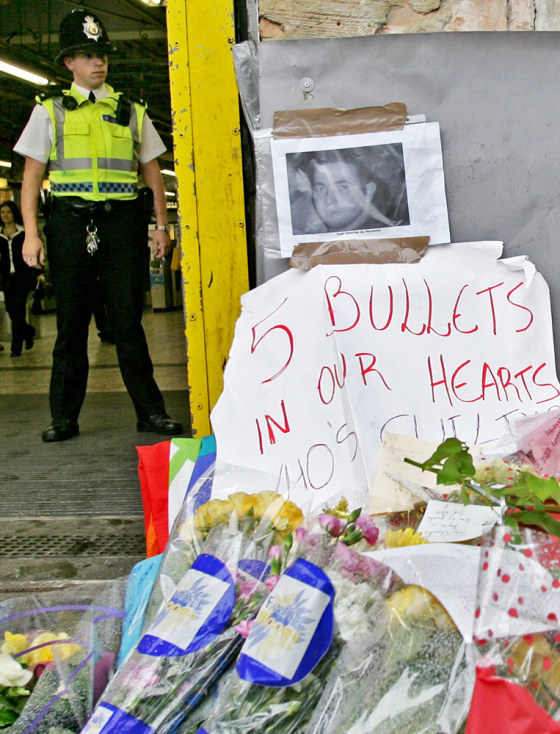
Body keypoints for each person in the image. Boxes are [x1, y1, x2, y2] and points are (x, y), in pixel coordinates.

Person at [14, 8, 183, 442]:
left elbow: (151, 170)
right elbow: (32, 176)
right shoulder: (49, 112)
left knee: (128, 322)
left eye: (102, 54)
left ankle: (151, 413)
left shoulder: (131, 110)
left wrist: (160, 226)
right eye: (88, 55)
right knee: (70, 323)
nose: (98, 63)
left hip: (122, 225)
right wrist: (31, 233)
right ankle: (64, 418)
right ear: (69, 62)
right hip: (69, 224)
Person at [290, 147, 410, 235]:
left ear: (368, 192)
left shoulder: (392, 236)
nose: (329, 200)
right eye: (321, 188)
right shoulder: (306, 237)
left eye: (343, 187)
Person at [0, 200, 38, 356]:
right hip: (6, 278)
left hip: (22, 277)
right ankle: (28, 332)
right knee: (11, 310)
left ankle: (16, 348)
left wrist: (37, 272)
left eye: (8, 212)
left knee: (19, 310)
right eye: (2, 212)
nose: (5, 215)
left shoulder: (23, 233)